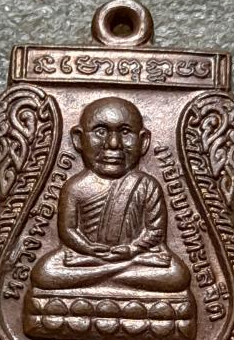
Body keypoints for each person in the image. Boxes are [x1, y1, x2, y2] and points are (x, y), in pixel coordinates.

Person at [31, 97, 190, 293]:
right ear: (78, 139)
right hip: (88, 257)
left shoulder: (147, 185)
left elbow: (155, 232)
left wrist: (132, 249)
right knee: (45, 272)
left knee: (177, 275)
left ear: (143, 141)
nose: (113, 144)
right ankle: (116, 273)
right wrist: (88, 248)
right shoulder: (75, 187)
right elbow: (68, 231)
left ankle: (106, 274)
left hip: (135, 258)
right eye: (100, 132)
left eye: (125, 132)